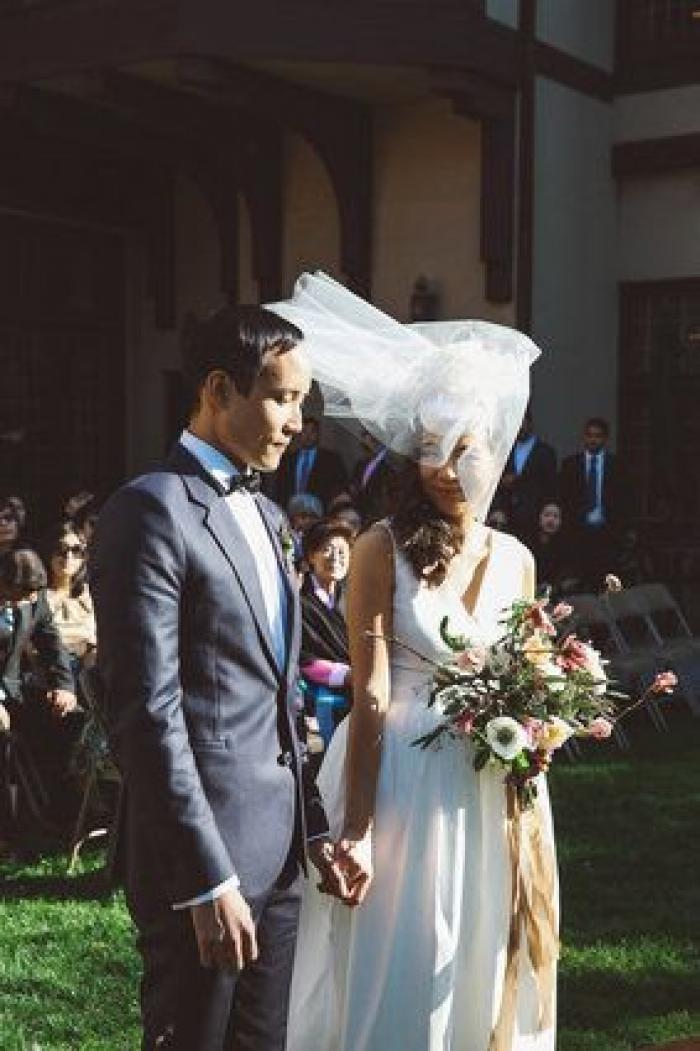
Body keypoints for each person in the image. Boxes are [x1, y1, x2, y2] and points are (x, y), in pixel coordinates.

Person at [270, 272, 558, 1051]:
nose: (444, 467)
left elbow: (534, 674)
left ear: (491, 449)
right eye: (430, 448)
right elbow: (369, 695)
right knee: (406, 964)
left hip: (497, 787)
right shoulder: (379, 548)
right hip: (401, 777)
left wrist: (547, 726)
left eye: (462, 448)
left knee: (482, 956)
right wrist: (357, 827)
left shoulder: (520, 559)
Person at [90, 305, 351, 1051]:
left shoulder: (271, 518)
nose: (297, 422)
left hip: (282, 861)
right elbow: (147, 711)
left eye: (301, 400)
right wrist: (206, 879)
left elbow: (282, 690)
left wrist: (316, 827)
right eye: (282, 397)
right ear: (217, 389)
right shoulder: (149, 510)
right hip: (198, 866)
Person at [299, 520, 353, 742]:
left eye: (342, 551)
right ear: (312, 556)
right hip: (322, 697)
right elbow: (303, 658)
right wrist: (346, 675)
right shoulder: (300, 601)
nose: (335, 557)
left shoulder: (354, 595)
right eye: (327, 549)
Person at [559, 417, 623, 591]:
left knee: (605, 582)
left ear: (605, 438)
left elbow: (623, 500)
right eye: (589, 435)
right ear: (584, 437)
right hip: (578, 532)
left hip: (607, 532)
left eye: (598, 436)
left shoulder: (616, 465)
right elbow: (564, 499)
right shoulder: (570, 465)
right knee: (580, 581)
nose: (593, 439)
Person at [42, 523, 96, 671]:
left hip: (89, 674)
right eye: (61, 549)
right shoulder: (37, 596)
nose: (68, 556)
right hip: (50, 674)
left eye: (76, 550)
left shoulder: (91, 594)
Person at [499, 408, 557, 541]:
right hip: (507, 517)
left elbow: (550, 486)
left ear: (530, 423)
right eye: (515, 424)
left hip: (535, 517)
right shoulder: (505, 449)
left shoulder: (545, 452)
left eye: (521, 423)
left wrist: (546, 520)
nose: (519, 428)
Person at [273, 415, 349, 511]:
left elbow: (339, 486)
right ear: (298, 434)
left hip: (321, 511)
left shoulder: (331, 460)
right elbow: (280, 489)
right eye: (304, 431)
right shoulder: (288, 460)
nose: (308, 436)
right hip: (290, 512)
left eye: (312, 431)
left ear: (318, 434)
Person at [526, 501, 579, 599]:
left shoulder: (567, 547)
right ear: (539, 518)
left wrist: (554, 588)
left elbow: (567, 579)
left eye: (555, 516)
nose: (550, 520)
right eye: (547, 515)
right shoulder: (527, 542)